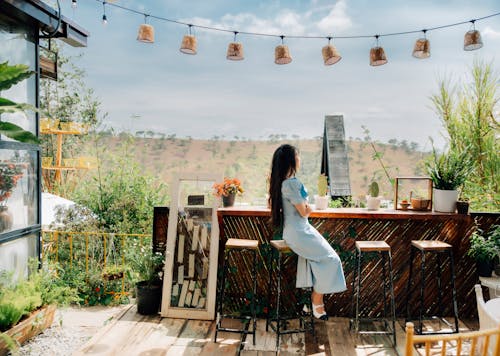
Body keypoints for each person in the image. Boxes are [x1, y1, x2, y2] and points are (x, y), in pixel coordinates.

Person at [268, 144, 346, 320]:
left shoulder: (281, 183)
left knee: (313, 261)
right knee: (332, 259)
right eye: (297, 156)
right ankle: (316, 301)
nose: (299, 159)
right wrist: (310, 207)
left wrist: (305, 208)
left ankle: (308, 304)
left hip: (298, 231)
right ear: (292, 160)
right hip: (300, 232)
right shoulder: (292, 184)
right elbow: (303, 211)